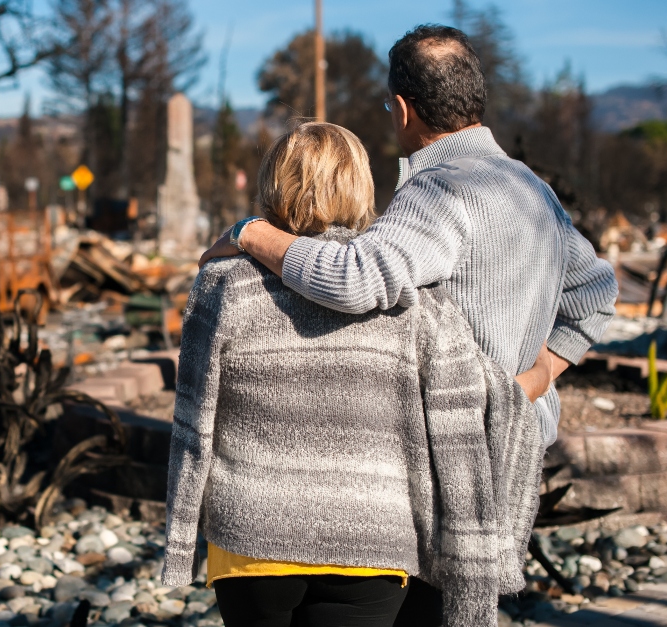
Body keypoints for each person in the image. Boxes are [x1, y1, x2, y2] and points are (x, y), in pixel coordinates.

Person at [198, 28, 618, 622]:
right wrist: (540, 373)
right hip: (513, 448)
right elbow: (597, 292)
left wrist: (250, 233)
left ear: (401, 108)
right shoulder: (531, 189)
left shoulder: (442, 189)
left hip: (452, 451)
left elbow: (356, 279)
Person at [162, 121, 543, 627]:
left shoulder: (223, 282)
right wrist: (542, 371)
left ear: (272, 184)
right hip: (373, 541)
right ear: (360, 185)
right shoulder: (412, 298)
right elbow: (464, 407)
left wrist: (182, 535)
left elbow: (193, 420)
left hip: (250, 535)